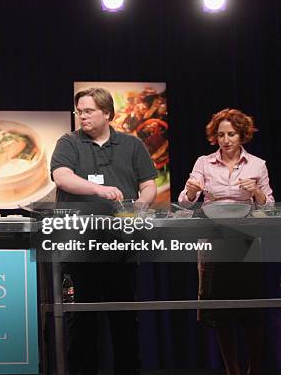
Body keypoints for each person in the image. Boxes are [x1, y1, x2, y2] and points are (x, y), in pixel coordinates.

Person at [51, 87, 158, 375]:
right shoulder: (69, 142)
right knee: (82, 321)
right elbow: (62, 177)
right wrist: (98, 189)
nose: (82, 116)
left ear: (107, 113)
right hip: (79, 245)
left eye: (88, 111)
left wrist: (141, 204)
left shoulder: (132, 145)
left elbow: (149, 185)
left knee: (124, 319)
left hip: (120, 244)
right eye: (79, 111)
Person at [179, 108, 273, 375]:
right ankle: (232, 370)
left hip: (246, 239)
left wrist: (255, 191)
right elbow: (185, 202)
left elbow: (268, 206)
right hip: (214, 238)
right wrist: (191, 190)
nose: (226, 139)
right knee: (220, 311)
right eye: (220, 134)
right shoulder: (203, 162)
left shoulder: (257, 164)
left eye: (231, 134)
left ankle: (254, 370)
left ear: (242, 134)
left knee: (251, 310)